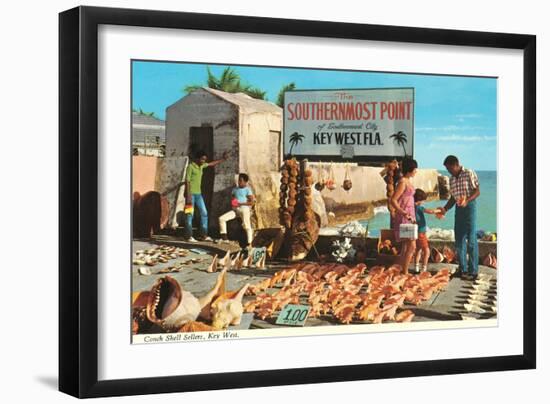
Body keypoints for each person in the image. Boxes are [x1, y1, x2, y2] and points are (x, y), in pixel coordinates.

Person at [436, 155, 481, 280]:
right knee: (459, 240)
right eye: (447, 169)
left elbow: (477, 191)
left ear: (456, 165)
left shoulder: (468, 173)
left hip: (470, 206)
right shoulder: (451, 179)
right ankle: (462, 269)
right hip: (458, 208)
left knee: (471, 239)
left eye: (450, 169)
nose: (449, 171)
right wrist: (445, 209)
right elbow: (453, 198)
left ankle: (473, 271)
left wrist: (467, 200)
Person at [184, 149, 229, 242]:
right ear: (197, 158)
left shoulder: (201, 166)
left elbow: (211, 164)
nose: (203, 161)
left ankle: (204, 235)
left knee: (204, 213)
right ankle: (189, 236)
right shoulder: (191, 167)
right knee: (189, 215)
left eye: (204, 159)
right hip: (190, 195)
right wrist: (188, 195)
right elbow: (187, 181)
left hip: (198, 194)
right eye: (202, 159)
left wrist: (223, 159)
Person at [390, 158, 418, 274]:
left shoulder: (407, 181)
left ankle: (402, 270)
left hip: (409, 216)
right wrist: (403, 212)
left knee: (406, 246)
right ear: (410, 169)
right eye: (415, 168)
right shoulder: (402, 182)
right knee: (412, 246)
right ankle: (405, 271)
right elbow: (393, 200)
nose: (416, 171)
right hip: (404, 217)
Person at [218, 173, 256, 247]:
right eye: (239, 180)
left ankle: (249, 243)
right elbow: (233, 199)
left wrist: (241, 204)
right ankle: (224, 238)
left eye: (241, 181)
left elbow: (251, 202)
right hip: (235, 210)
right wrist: (234, 203)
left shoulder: (247, 190)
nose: (239, 182)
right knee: (221, 218)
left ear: (245, 182)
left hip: (244, 209)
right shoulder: (235, 189)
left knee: (247, 226)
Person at [413, 188, 438, 273]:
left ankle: (416, 267)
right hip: (421, 232)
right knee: (426, 250)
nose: (424, 202)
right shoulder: (419, 207)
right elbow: (430, 211)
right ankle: (424, 268)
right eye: (423, 200)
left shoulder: (412, 207)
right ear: (419, 200)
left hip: (415, 232)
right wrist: (438, 211)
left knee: (418, 250)